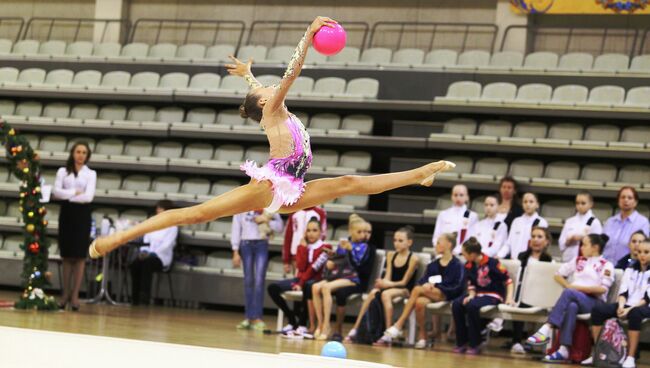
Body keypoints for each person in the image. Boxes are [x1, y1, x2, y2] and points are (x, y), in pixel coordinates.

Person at [88, 16, 455, 259]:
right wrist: (307, 36)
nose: (269, 87)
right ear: (265, 99)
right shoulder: (272, 107)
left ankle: (420, 173)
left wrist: (248, 74)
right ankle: (117, 238)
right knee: (196, 214)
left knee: (349, 181)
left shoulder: (268, 106)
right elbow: (290, 74)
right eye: (265, 87)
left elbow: (260, 90)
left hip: (295, 188)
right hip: (272, 185)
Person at [527, 234, 614, 363]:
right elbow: (558, 274)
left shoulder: (606, 265)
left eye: (585, 244)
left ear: (595, 247)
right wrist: (569, 286)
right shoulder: (579, 260)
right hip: (576, 298)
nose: (581, 247)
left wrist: (576, 289)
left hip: (595, 303)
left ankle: (547, 327)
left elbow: (603, 289)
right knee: (572, 306)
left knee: (569, 294)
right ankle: (564, 349)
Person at [382, 232, 464, 349]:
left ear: (448, 245)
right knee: (419, 302)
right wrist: (426, 284)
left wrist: (436, 285)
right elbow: (422, 280)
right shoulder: (433, 265)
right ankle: (423, 336)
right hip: (432, 294)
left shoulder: (457, 265)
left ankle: (399, 324)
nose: (436, 245)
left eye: (438, 243)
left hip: (448, 294)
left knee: (416, 289)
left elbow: (457, 286)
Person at [345, 226, 419, 344]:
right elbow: (388, 276)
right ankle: (355, 328)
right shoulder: (391, 255)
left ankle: (388, 333)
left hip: (405, 289)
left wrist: (387, 284)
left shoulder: (413, 258)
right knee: (373, 292)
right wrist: (382, 282)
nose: (396, 244)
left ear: (409, 242)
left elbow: (404, 282)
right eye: (395, 240)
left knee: (386, 294)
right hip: (390, 287)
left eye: (400, 241)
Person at [583, 240, 650, 368]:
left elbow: (647, 298)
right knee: (598, 310)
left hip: (644, 306)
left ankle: (630, 357)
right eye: (639, 252)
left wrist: (628, 310)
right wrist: (620, 306)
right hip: (626, 304)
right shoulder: (630, 269)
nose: (642, 255)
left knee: (635, 314)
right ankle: (598, 352)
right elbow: (623, 292)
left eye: (646, 252)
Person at [312, 214, 375, 340]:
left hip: (352, 277)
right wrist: (332, 259)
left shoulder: (364, 247)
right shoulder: (344, 244)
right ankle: (320, 323)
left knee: (326, 288)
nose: (363, 234)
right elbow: (340, 260)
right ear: (351, 232)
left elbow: (358, 265)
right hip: (340, 275)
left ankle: (326, 325)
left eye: (365, 232)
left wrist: (351, 250)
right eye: (359, 232)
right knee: (315, 287)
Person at [268, 218, 331, 338]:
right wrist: (302, 248)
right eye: (308, 230)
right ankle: (292, 320)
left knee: (308, 286)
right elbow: (301, 267)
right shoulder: (302, 246)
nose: (311, 233)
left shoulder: (325, 247)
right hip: (300, 278)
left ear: (320, 232)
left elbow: (314, 268)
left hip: (315, 279)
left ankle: (302, 324)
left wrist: (301, 284)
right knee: (273, 288)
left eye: (314, 230)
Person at [452, 237, 514, 355]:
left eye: (465, 254)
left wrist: (509, 298)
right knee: (457, 304)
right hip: (478, 294)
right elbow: (471, 284)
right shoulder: (469, 265)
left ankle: (475, 343)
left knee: (472, 306)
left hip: (493, 295)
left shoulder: (493, 263)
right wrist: (470, 295)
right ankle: (461, 342)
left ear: (473, 254)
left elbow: (508, 281)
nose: (463, 256)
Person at [53, 141, 96, 311]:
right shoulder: (62, 171)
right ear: (72, 153)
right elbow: (56, 192)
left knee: (79, 256)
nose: (80, 155)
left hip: (82, 214)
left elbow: (88, 197)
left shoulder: (91, 173)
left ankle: (75, 295)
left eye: (84, 152)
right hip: (67, 214)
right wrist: (73, 193)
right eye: (78, 151)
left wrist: (67, 195)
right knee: (66, 255)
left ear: (87, 155)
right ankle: (65, 294)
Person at [231, 209, 283, 330]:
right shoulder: (241, 207)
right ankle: (249, 317)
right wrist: (235, 251)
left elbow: (280, 227)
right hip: (245, 244)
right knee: (248, 280)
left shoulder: (268, 206)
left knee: (259, 280)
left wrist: (268, 221)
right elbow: (236, 228)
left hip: (261, 243)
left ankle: (258, 317)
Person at [506, 226, 553, 354]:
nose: (535, 240)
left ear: (547, 241)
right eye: (533, 236)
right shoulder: (522, 256)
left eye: (539, 237)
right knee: (519, 304)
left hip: (540, 297)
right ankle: (516, 341)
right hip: (521, 295)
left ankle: (533, 342)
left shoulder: (549, 261)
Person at [130, 200, 178, 306]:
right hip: (147, 253)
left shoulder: (173, 226)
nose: (158, 210)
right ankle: (134, 297)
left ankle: (144, 297)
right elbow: (146, 239)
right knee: (135, 264)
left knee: (148, 264)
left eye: (161, 208)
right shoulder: (152, 221)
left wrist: (153, 253)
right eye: (158, 208)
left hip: (161, 257)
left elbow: (167, 244)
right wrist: (144, 251)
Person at [602, 186, 649, 264]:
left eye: (630, 198)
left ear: (635, 202)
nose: (626, 200)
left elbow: (643, 248)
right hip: (605, 267)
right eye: (623, 197)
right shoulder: (610, 221)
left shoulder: (642, 222)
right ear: (618, 200)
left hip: (628, 266)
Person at [497, 192, 548, 259]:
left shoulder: (541, 222)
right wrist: (499, 255)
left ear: (537, 204)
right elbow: (509, 243)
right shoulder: (516, 221)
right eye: (525, 202)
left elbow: (542, 245)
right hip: (514, 261)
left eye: (531, 202)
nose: (528, 204)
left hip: (531, 261)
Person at [432, 184, 479, 255]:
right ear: (451, 196)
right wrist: (440, 248)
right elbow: (437, 236)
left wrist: (457, 251)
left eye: (461, 195)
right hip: (443, 252)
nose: (458, 198)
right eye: (455, 195)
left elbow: (471, 238)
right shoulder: (443, 214)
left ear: (467, 197)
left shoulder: (472, 216)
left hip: (463, 253)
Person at [559, 191, 603, 262]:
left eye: (583, 203)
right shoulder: (570, 221)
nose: (580, 206)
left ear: (591, 204)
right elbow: (561, 243)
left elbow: (597, 244)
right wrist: (568, 241)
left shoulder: (594, 222)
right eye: (577, 203)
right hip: (568, 258)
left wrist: (583, 238)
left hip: (587, 260)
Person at [282, 206, 327, 274]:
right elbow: (288, 236)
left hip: (314, 256)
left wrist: (315, 250)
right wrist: (286, 260)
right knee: (297, 279)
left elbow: (323, 235)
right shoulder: (294, 212)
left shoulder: (320, 212)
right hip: (296, 255)